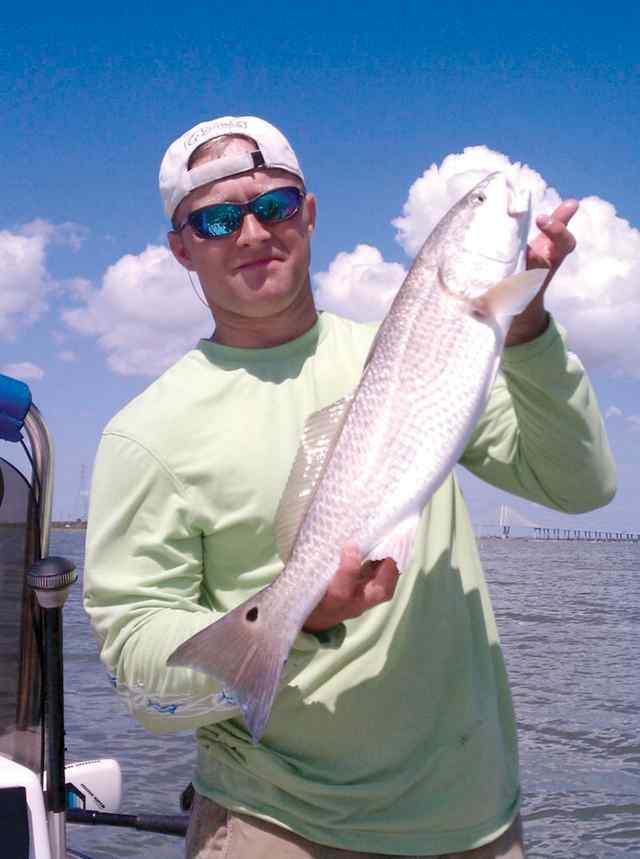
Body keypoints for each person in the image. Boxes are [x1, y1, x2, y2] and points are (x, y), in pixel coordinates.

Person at [84, 116, 616, 859]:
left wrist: (525, 329)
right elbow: (141, 674)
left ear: (308, 212)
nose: (250, 233)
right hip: (276, 824)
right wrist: (295, 621)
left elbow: (580, 485)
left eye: (272, 205)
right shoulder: (146, 433)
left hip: (476, 821)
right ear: (181, 248)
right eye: (214, 218)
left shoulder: (419, 349)